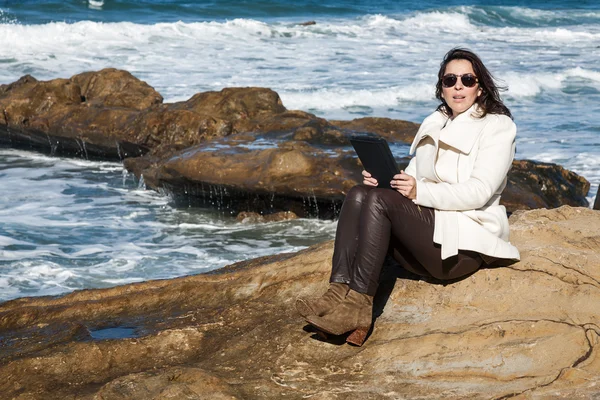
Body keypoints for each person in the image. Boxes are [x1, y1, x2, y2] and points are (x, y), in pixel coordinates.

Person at [296, 48, 520, 346]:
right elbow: (414, 177)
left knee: (377, 200)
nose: (458, 86)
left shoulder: (497, 126)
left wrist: (419, 191)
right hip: (426, 236)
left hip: (461, 246)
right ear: (441, 87)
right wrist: (387, 181)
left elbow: (479, 192)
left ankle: (358, 308)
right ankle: (338, 293)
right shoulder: (436, 121)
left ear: (480, 87)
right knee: (362, 193)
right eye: (449, 79)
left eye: (467, 79)